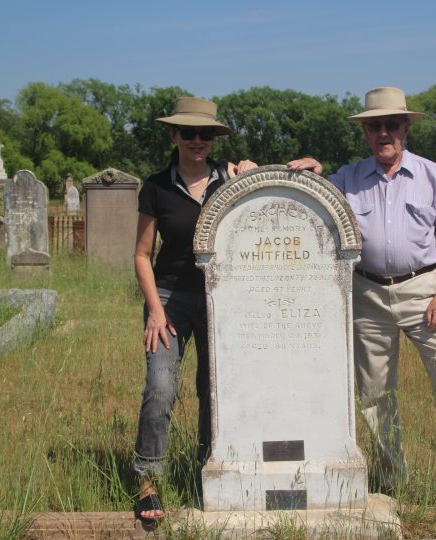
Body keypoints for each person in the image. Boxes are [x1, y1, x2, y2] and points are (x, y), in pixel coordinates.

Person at [288, 87, 436, 525]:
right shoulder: (347, 178)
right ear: (365, 132)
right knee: (375, 393)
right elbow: (311, 208)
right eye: (374, 125)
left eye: (391, 124)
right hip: (366, 293)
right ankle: (391, 482)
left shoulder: (431, 175)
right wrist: (312, 174)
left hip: (424, 290)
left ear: (405, 127)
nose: (383, 132)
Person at [133, 96, 257, 521]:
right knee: (161, 386)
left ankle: (209, 470)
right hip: (169, 298)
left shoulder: (232, 180)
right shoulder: (156, 186)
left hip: (221, 300)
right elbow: (141, 255)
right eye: (189, 133)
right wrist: (154, 310)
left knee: (215, 391)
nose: (198, 140)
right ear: (174, 135)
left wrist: (255, 173)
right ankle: (148, 480)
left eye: (206, 133)